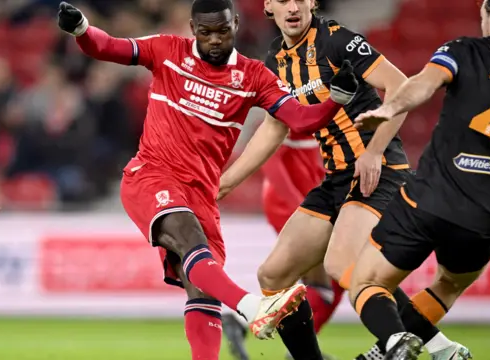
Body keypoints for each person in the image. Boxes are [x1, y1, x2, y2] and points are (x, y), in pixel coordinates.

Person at [57, 0, 360, 359]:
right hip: (152, 175)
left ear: (235, 24)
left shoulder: (254, 77)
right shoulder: (167, 50)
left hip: (201, 195)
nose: (214, 39)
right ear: (192, 28)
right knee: (190, 245)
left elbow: (300, 119)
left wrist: (335, 101)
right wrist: (81, 29)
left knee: (204, 293)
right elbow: (107, 46)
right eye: (205, 32)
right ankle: (252, 307)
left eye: (222, 31)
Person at [217, 1, 465, 359]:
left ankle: (414, 345)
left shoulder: (336, 41)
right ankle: (440, 349)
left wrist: (375, 151)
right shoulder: (276, 60)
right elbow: (275, 126)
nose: (292, 7)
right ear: (268, 6)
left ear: (312, 3)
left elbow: (400, 86)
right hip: (335, 178)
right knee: (273, 276)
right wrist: (227, 182)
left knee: (341, 265)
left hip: (376, 171)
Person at [350, 0, 490, 359]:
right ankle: (392, 350)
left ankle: (394, 342)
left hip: (428, 198)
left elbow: (423, 84)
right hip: (483, 216)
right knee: (448, 286)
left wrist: (388, 108)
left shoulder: (463, 49)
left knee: (367, 282)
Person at [221, 124, 343, 360]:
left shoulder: (315, 103)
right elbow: (272, 161)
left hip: (307, 196)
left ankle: (252, 327)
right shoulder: (293, 102)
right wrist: (300, 206)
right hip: (293, 200)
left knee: (333, 279)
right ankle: (290, 347)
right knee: (323, 284)